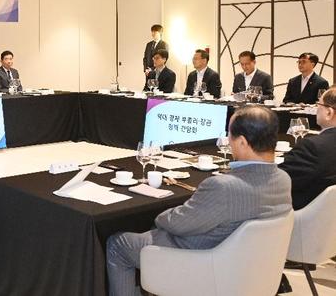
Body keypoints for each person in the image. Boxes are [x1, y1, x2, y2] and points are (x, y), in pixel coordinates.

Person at [106, 105, 291, 296]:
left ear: (243, 142)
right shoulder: (284, 179)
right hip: (249, 268)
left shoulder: (223, 187)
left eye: (229, 135)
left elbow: (178, 224)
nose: (228, 141)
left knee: (118, 244)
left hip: (200, 264)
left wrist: (159, 216)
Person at [279, 86, 336, 210]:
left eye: (318, 105)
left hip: (303, 216)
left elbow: (279, 180)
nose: (316, 109)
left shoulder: (312, 147)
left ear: (329, 113)